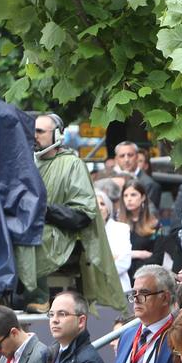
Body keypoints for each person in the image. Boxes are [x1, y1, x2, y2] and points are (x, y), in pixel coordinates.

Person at [32, 114, 126, 313]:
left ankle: (38, 297)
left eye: (40, 131)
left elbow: (82, 215)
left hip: (64, 237)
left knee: (32, 237)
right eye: (32, 130)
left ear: (57, 135)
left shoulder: (73, 165)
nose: (34, 135)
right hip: (35, 229)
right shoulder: (27, 164)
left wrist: (44, 210)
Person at [121, 179, 163, 279]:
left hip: (145, 278)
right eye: (125, 195)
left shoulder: (155, 225)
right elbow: (113, 255)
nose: (129, 199)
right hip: (122, 278)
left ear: (143, 197)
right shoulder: (118, 225)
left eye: (133, 195)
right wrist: (137, 254)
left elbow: (157, 258)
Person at [96, 187, 133, 293]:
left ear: (108, 209)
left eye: (102, 204)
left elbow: (124, 262)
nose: (99, 208)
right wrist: (111, 259)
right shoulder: (86, 232)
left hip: (119, 288)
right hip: (94, 291)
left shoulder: (121, 229)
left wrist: (98, 270)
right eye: (95, 204)